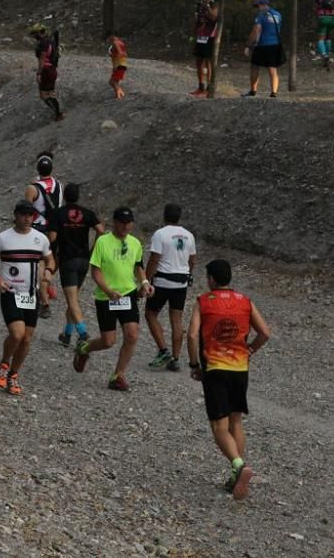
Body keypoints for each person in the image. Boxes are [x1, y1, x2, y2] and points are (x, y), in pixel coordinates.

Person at [187, 259, 271, 501]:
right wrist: (250, 350)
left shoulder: (203, 302)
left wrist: (194, 364)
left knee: (218, 427)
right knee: (236, 421)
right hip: (239, 368)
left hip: (215, 369)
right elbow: (265, 332)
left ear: (211, 279)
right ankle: (236, 474)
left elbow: (192, 334)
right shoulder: (245, 301)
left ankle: (239, 466)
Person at [72, 206, 154, 391]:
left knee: (132, 335)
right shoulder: (103, 242)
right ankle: (84, 349)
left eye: (129, 223)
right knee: (108, 341)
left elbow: (138, 267)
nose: (126, 226)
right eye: (122, 223)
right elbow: (95, 272)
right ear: (114, 222)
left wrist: (144, 283)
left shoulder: (135, 243)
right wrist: (108, 291)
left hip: (127, 294)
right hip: (106, 297)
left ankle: (118, 375)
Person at [0, 200, 56, 396]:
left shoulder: (40, 239)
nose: (27, 218)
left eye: (30, 215)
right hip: (11, 292)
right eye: (23, 214)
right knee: (16, 334)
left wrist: (49, 271)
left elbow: (50, 258)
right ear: (15, 215)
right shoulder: (3, 238)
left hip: (30, 295)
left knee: (26, 339)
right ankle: (4, 363)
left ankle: (13, 376)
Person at [48, 183, 104, 347]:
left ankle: (83, 332)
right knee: (74, 299)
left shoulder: (58, 214)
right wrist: (94, 249)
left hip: (67, 260)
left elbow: (52, 238)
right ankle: (66, 333)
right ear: (78, 196)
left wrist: (53, 255)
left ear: (64, 196)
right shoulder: (86, 213)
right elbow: (101, 229)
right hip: (84, 260)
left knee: (72, 301)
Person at [145, 204, 197, 372]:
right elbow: (192, 260)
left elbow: (154, 258)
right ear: (179, 217)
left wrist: (146, 280)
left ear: (164, 215)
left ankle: (163, 350)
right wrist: (188, 274)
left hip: (162, 280)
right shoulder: (189, 235)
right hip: (181, 282)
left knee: (151, 314)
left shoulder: (160, 234)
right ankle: (175, 358)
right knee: (176, 319)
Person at [24, 152, 64, 318]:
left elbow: (26, 210)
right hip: (55, 229)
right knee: (51, 261)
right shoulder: (60, 185)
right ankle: (47, 286)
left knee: (39, 264)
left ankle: (44, 302)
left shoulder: (32, 188)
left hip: (38, 229)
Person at [243, 0, 285, 98]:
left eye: (258, 6)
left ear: (263, 5)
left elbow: (256, 30)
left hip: (262, 45)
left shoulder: (261, 15)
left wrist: (248, 45)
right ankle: (274, 93)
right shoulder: (278, 15)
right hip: (275, 44)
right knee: (272, 69)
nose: (258, 8)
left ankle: (253, 91)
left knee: (255, 67)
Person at [30, 24, 64, 121]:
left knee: (43, 95)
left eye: (34, 34)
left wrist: (38, 73)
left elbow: (42, 58)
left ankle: (58, 113)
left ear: (38, 33)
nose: (34, 36)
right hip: (53, 70)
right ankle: (58, 113)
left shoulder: (43, 43)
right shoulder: (51, 41)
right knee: (51, 93)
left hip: (46, 70)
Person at [191, 0, 220, 96]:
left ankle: (209, 87)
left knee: (208, 62)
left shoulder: (214, 4)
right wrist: (193, 34)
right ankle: (200, 86)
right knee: (198, 61)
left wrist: (207, 5)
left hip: (210, 35)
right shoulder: (199, 5)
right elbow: (196, 19)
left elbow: (214, 17)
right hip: (200, 36)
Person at [107, 33, 128, 99]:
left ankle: (121, 93)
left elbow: (120, 53)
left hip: (119, 65)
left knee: (112, 82)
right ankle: (118, 95)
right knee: (115, 81)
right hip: (123, 64)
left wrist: (113, 55)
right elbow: (125, 54)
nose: (109, 41)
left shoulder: (115, 42)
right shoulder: (121, 43)